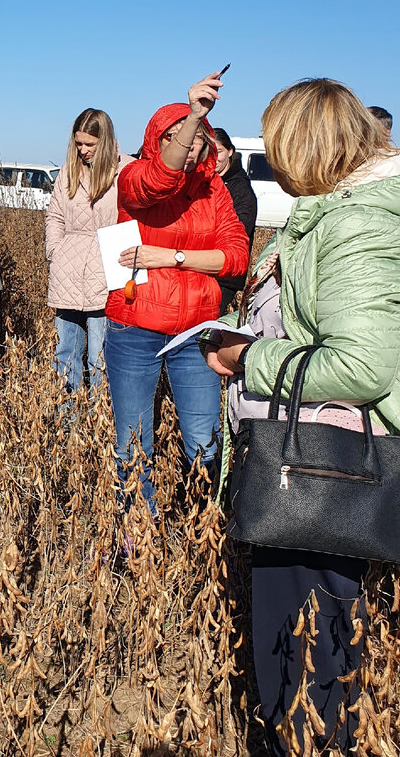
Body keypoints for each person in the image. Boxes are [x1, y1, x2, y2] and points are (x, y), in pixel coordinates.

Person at [204, 80, 400, 756]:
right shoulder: (328, 212)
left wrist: (250, 359)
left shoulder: (356, 222)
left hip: (322, 468)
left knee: (307, 648)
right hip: (306, 457)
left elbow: (364, 366)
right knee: (309, 639)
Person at [103, 72, 249, 503]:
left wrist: (170, 257)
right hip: (135, 327)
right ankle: (136, 540)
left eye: (194, 139)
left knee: (204, 442)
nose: (185, 148)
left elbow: (236, 257)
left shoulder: (215, 191)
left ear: (207, 146)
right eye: (171, 136)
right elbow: (161, 179)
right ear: (155, 142)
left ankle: (200, 529)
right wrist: (194, 116)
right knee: (133, 444)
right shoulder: (134, 179)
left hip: (195, 334)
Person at [44, 109, 133, 392]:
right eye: (78, 143)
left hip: (109, 270)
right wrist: (55, 251)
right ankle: (65, 421)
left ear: (105, 140)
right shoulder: (69, 171)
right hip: (67, 268)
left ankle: (98, 423)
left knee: (101, 356)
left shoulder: (127, 169)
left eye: (89, 144)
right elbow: (55, 215)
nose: (83, 150)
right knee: (64, 353)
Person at [212, 127, 256, 313]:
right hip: (202, 268)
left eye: (219, 151)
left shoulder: (241, 190)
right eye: (209, 152)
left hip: (224, 276)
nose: (214, 158)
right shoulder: (207, 181)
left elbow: (240, 231)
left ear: (230, 151)